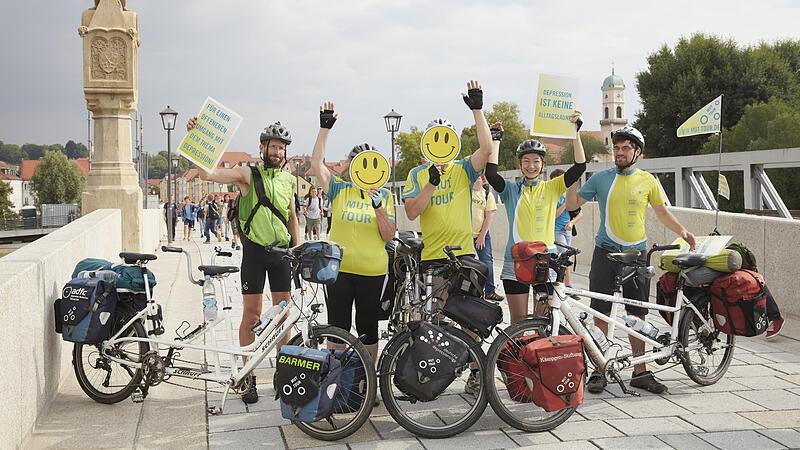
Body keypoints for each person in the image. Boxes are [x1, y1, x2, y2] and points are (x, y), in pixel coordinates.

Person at [568, 125, 697, 395]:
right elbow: (571, 205)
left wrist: (682, 231)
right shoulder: (602, 178)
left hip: (636, 254)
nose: (619, 152)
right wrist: (572, 177)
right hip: (605, 251)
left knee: (636, 312)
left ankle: (641, 372)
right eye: (616, 148)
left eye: (626, 148)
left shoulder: (647, 180)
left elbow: (661, 212)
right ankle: (599, 370)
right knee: (600, 310)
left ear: (638, 151)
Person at [188, 117, 301, 404]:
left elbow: (292, 218)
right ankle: (247, 375)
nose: (278, 152)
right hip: (254, 253)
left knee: (282, 317)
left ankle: (282, 373)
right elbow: (209, 175)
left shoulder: (289, 180)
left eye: (282, 148)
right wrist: (198, 138)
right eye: (273, 146)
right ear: (262, 147)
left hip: (281, 254)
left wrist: (298, 250)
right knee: (251, 314)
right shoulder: (247, 175)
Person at [402, 80, 493, 395]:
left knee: (471, 318)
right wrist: (430, 183)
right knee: (440, 317)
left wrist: (477, 110)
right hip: (435, 257)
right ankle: (437, 370)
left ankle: (476, 371)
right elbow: (413, 212)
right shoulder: (416, 173)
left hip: (465, 253)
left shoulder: (464, 169)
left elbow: (487, 149)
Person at [309, 101, 396, 362]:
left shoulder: (386, 195)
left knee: (368, 329)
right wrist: (325, 128)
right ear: (351, 166)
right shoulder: (340, 189)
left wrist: (378, 206)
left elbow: (389, 235)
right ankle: (336, 380)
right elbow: (316, 163)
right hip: (339, 271)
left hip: (372, 271)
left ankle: (365, 382)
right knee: (337, 328)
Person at [485, 114, 586, 325]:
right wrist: (496, 139)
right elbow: (492, 174)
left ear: (542, 165)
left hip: (544, 261)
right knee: (519, 322)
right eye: (526, 161)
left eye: (536, 161)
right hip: (516, 261)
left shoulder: (552, 187)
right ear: (520, 164)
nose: (531, 166)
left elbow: (579, 166)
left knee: (542, 322)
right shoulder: (511, 190)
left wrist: (575, 133)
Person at [550, 168, 584, 291]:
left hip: (567, 231)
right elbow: (554, 215)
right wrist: (565, 204)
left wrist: (571, 222)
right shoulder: (553, 197)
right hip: (556, 230)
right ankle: (567, 285)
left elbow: (580, 214)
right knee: (564, 256)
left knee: (564, 257)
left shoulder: (569, 196)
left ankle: (563, 284)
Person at [471, 175, 503, 301]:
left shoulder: (487, 195)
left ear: (483, 179)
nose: (475, 180)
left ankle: (490, 291)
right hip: (465, 235)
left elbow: (489, 217)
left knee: (487, 261)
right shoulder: (466, 192)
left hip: (481, 234)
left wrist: (481, 236)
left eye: (478, 178)